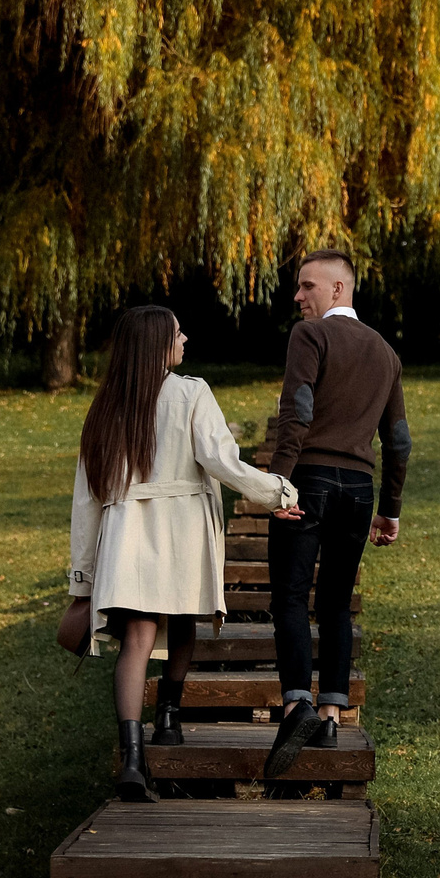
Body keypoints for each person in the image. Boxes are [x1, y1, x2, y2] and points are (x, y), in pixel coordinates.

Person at [68, 305, 301, 801]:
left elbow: (86, 498)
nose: (186, 338)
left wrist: (82, 577)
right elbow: (221, 460)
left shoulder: (106, 405)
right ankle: (168, 720)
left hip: (125, 532)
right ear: (157, 344)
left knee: (137, 639)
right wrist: (279, 492)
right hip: (181, 527)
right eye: (178, 333)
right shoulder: (191, 392)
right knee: (184, 623)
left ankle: (132, 758)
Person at [262, 247, 409, 780]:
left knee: (290, 596)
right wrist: (389, 510)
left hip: (311, 482)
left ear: (338, 290)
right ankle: (330, 714)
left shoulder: (311, 336)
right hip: (360, 490)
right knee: (337, 605)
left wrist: (280, 484)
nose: (298, 297)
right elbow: (399, 440)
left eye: (307, 286)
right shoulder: (386, 352)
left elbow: (296, 411)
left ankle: (297, 705)